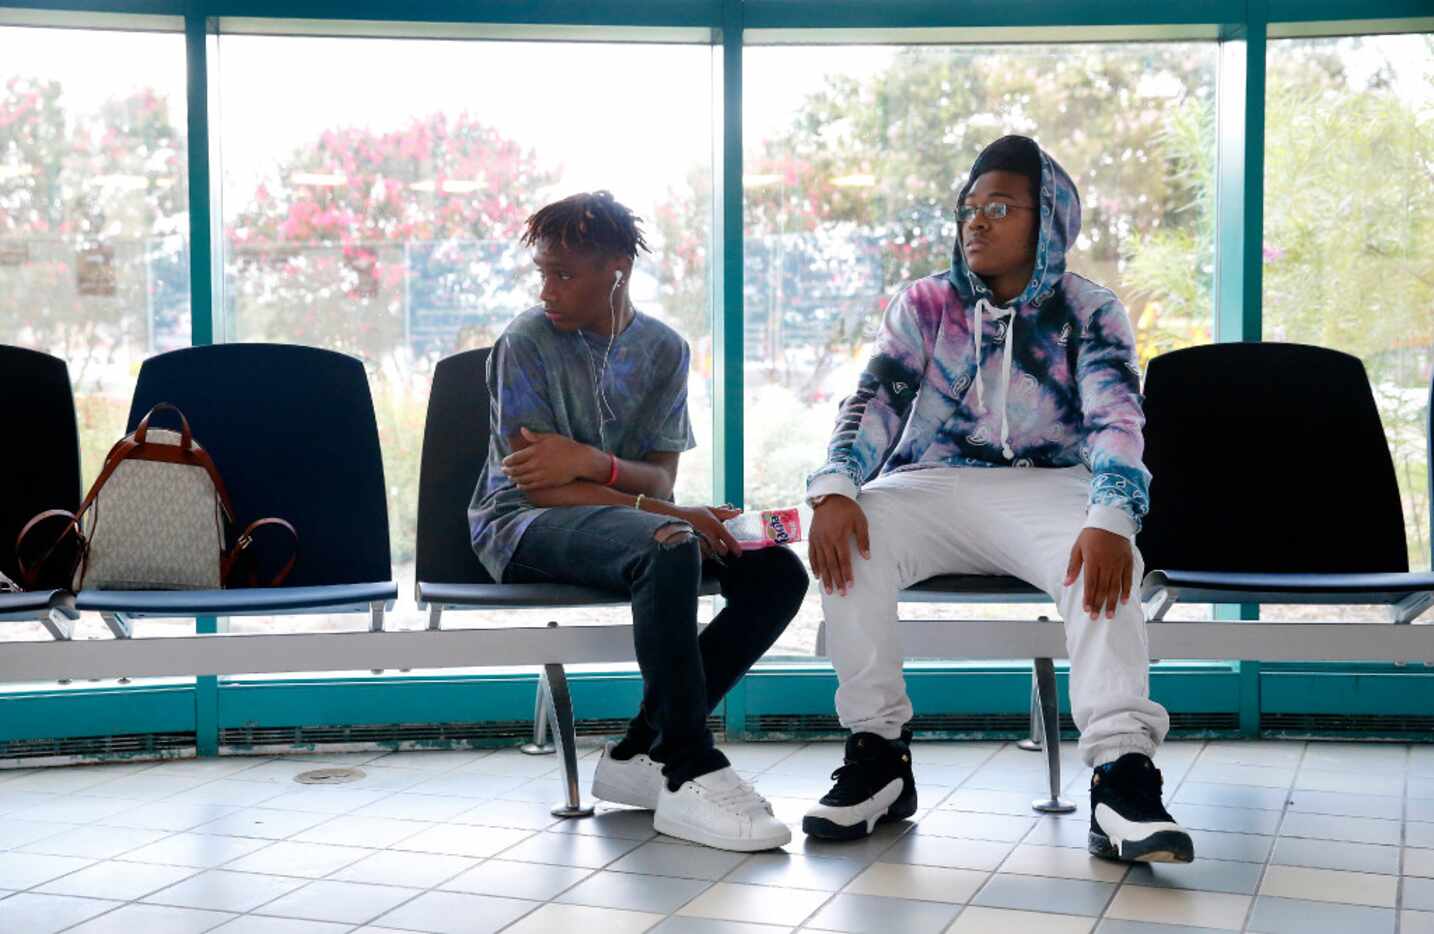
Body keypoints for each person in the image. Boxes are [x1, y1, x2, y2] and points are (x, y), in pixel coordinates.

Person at [800, 136, 1194, 864]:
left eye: (1000, 208)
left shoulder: (1088, 310)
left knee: (1103, 560)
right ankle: (879, 756)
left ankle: (1122, 777)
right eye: (968, 209)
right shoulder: (924, 304)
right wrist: (836, 485)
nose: (976, 223)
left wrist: (1111, 514)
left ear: (1049, 220)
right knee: (849, 536)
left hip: (1050, 487)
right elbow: (874, 401)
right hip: (930, 484)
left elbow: (1117, 419)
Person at [468, 190, 808, 852]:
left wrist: (591, 461)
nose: (547, 290)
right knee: (669, 543)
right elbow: (543, 492)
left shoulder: (663, 351)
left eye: (563, 274)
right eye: (541, 271)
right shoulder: (525, 343)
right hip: (519, 525)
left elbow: (660, 478)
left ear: (616, 271)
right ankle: (687, 767)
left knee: (776, 572)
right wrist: (664, 509)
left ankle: (635, 754)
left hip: (624, 521)